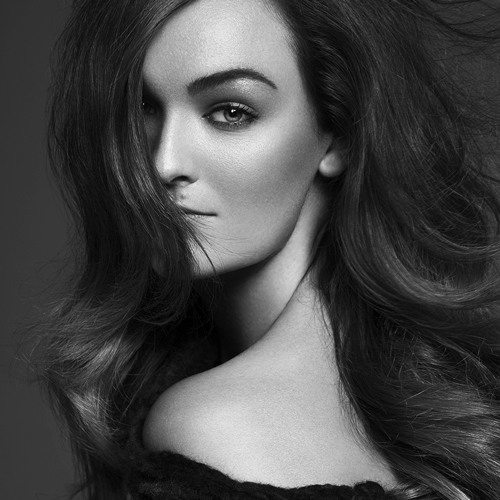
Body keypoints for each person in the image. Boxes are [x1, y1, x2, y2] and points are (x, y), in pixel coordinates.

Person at [36, 0, 500, 498]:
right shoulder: (429, 380)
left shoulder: (214, 427)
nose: (162, 163)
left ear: (338, 135)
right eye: (142, 109)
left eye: (230, 112)